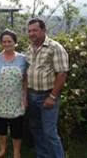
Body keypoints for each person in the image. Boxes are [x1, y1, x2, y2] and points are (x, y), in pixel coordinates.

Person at [26, 18, 69, 158]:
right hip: (31, 95)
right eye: (30, 30)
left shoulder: (55, 47)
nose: (32, 33)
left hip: (47, 96)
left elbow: (62, 74)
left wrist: (52, 96)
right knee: (35, 128)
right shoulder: (30, 48)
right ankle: (43, 155)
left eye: (35, 30)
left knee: (50, 132)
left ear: (44, 30)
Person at [0, 29, 27, 158]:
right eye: (4, 41)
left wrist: (25, 98)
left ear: (15, 42)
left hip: (17, 99)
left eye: (9, 41)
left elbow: (25, 81)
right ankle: (2, 150)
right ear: (1, 43)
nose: (7, 44)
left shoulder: (23, 59)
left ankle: (16, 152)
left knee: (17, 130)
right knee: (0, 128)